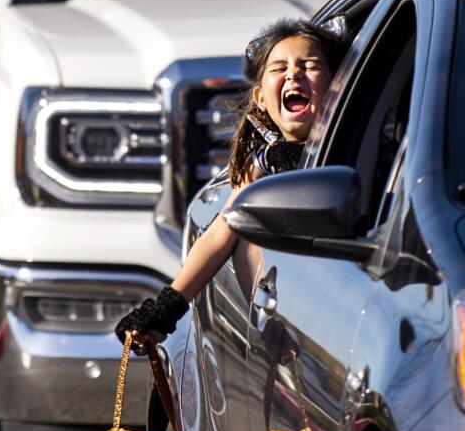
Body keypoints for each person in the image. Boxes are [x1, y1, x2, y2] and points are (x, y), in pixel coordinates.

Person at [115, 18, 348, 349]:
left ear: (338, 87)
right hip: (295, 327)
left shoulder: (358, 150)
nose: (293, 74)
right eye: (279, 68)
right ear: (261, 98)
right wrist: (163, 312)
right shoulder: (260, 168)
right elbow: (218, 236)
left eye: (308, 65)